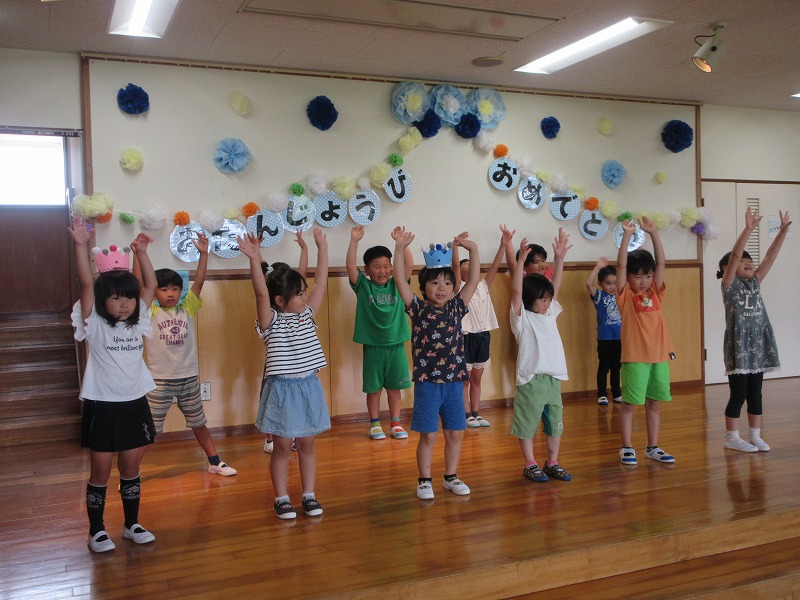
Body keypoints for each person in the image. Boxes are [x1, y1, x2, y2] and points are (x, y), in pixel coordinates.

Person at [69, 217, 158, 552]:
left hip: (134, 403)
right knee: (101, 472)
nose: (125, 304)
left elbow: (149, 286)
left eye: (129, 299)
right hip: (103, 405)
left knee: (131, 468)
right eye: (117, 298)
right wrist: (80, 245)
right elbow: (85, 283)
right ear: (102, 301)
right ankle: (96, 531)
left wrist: (141, 252)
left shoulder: (138, 322)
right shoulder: (95, 325)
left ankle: (131, 524)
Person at [238, 228, 330, 520]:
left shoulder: (307, 315)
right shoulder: (271, 321)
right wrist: (254, 259)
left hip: (308, 386)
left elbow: (322, 282)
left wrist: (322, 248)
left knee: (307, 444)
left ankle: (309, 494)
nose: (305, 297)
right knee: (281, 447)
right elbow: (260, 292)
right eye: (299, 294)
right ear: (280, 300)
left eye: (304, 292)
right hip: (282, 389)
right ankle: (281, 498)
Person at [133, 233, 236, 477]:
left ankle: (215, 461)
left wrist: (204, 254)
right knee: (150, 429)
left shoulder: (187, 308)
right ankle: (131, 473)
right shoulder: (149, 312)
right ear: (155, 292)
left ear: (181, 290)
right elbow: (140, 285)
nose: (170, 293)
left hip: (188, 377)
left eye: (175, 289)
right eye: (163, 289)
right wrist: (138, 253)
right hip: (159, 380)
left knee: (199, 423)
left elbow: (199, 282)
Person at [393, 229, 480, 500]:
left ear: (453, 288)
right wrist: (399, 248)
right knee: (428, 436)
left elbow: (473, 280)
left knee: (455, 434)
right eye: (435, 282)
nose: (441, 288)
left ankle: (451, 477)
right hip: (428, 385)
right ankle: (424, 480)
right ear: (423, 287)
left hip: (454, 384)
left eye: (447, 283)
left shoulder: (456, 307)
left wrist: (473, 250)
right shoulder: (418, 309)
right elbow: (399, 279)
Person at [718, 208, 791, 452]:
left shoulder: (756, 283)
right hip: (739, 346)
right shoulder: (729, 285)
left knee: (756, 394)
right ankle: (731, 437)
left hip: (758, 345)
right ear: (728, 268)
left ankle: (755, 436)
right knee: (738, 394)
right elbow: (736, 253)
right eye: (743, 260)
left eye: (750, 260)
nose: (748, 262)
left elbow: (770, 256)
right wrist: (748, 229)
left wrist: (782, 231)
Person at [510, 230, 573, 483]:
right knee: (527, 424)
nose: (548, 303)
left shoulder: (550, 313)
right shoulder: (522, 318)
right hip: (531, 379)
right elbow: (516, 292)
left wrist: (559, 259)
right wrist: (520, 263)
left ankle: (553, 462)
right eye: (542, 300)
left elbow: (555, 286)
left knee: (555, 424)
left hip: (553, 378)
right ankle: (530, 463)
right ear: (530, 300)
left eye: (548, 299)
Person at [616, 217, 675, 466]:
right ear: (629, 277)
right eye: (638, 276)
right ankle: (626, 447)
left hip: (659, 358)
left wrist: (653, 233)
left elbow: (661, 262)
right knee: (630, 404)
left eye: (648, 276)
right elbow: (620, 265)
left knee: (654, 403)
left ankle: (653, 447)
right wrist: (627, 236)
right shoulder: (625, 296)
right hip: (635, 359)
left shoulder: (656, 293)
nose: (644, 281)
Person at [346, 224, 414, 440]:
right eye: (376, 267)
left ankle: (395, 422)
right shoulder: (363, 286)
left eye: (386, 266)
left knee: (395, 388)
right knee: (373, 389)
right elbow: (350, 266)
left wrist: (402, 245)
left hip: (396, 345)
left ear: (392, 268)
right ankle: (374, 423)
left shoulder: (398, 284)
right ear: (366, 270)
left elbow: (409, 266)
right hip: (373, 347)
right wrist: (354, 241)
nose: (382, 271)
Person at [451, 224, 514, 428]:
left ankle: (476, 412)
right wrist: (455, 246)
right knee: (465, 379)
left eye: (472, 264)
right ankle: (466, 413)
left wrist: (503, 245)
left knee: (476, 378)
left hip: (483, 335)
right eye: (466, 264)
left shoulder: (483, 285)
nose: (470, 266)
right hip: (465, 336)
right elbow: (455, 267)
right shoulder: (460, 287)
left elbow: (494, 266)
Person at [262, 231, 309, 454]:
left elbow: (302, 275)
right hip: (279, 367)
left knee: (296, 403)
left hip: (298, 370)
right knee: (273, 400)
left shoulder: (301, 312)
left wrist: (305, 249)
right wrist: (255, 254)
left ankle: (292, 434)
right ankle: (271, 436)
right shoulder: (270, 316)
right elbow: (260, 291)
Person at [586, 257, 622, 406]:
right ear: (601, 284)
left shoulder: (621, 296)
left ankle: (617, 393)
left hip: (620, 338)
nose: (612, 286)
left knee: (616, 368)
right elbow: (589, 284)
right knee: (604, 367)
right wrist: (598, 267)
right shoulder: (600, 296)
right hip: (605, 339)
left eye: (615, 283)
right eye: (608, 283)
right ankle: (602, 394)